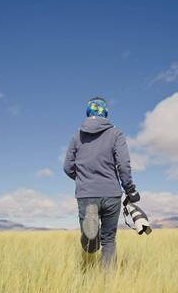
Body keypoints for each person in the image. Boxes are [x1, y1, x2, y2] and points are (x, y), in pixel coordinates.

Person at [63, 97, 140, 269]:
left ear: (87, 113)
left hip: (86, 194)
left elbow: (67, 167)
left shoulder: (76, 137)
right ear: (105, 113)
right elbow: (124, 165)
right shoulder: (116, 134)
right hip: (111, 194)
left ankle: (90, 239)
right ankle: (108, 282)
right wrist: (130, 190)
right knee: (109, 240)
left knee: (91, 242)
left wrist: (83, 179)